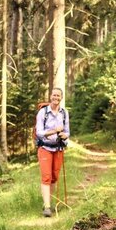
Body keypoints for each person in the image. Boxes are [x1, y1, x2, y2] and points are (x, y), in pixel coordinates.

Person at [35, 87, 69, 217]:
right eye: (54, 95)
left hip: (58, 148)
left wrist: (65, 136)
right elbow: (39, 133)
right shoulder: (43, 113)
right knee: (46, 177)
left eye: (58, 96)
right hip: (45, 148)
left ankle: (50, 202)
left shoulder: (64, 113)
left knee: (54, 177)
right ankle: (47, 207)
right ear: (50, 96)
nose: (56, 97)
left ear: (61, 98)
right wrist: (54, 131)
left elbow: (67, 132)